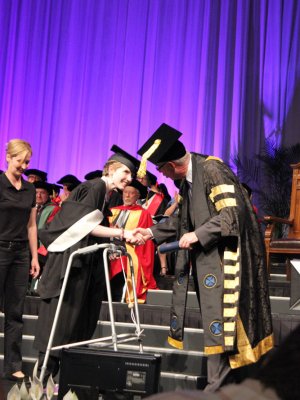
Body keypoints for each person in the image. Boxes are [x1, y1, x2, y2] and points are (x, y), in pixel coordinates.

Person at [133, 123, 274, 392]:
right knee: (219, 324)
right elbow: (181, 220)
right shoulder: (188, 180)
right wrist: (149, 232)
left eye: (161, 169)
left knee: (222, 322)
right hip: (208, 262)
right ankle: (226, 386)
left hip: (226, 261)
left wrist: (198, 235)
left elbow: (232, 214)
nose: (160, 175)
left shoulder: (212, 170)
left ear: (173, 165)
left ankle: (215, 388)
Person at [34, 149, 143, 383]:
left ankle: (57, 383)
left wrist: (112, 242)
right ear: (111, 169)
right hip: (70, 266)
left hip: (83, 266)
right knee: (62, 322)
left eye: (131, 175)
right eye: (125, 172)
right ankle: (42, 382)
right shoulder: (95, 187)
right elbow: (83, 225)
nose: (129, 178)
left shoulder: (105, 193)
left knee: (76, 325)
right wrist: (122, 233)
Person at [0, 139, 40, 381]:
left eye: (27, 162)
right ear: (7, 157)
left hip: (20, 254)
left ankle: (12, 365)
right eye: (19, 160)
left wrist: (34, 256)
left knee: (15, 312)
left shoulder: (30, 190)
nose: (23, 166)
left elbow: (32, 226)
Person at [109, 179, 157, 303]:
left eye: (131, 193)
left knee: (123, 261)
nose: (127, 195)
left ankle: (121, 297)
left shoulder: (143, 214)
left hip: (131, 248)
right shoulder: (112, 211)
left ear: (137, 196)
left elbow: (142, 240)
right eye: (125, 192)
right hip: (108, 246)